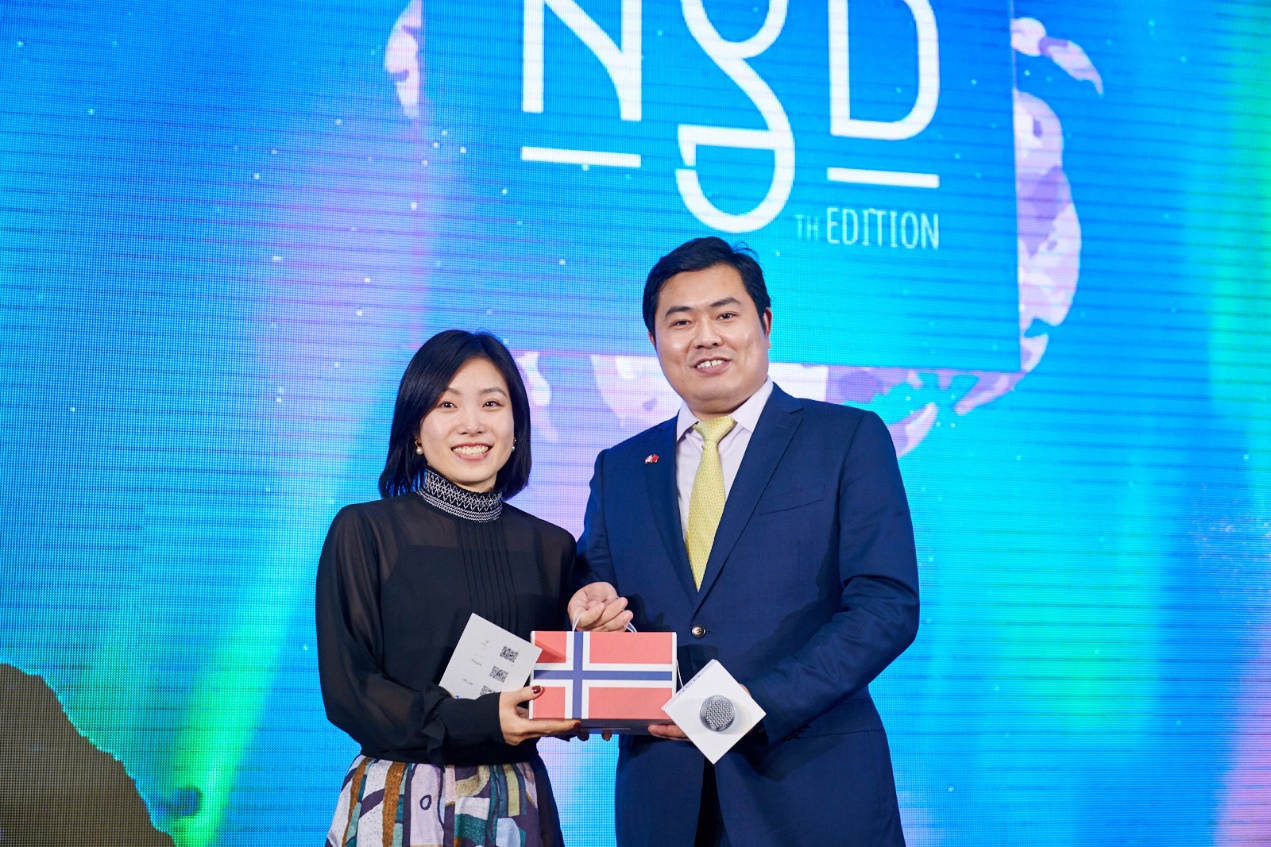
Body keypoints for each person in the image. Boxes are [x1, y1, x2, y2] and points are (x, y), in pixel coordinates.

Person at [568, 237, 920, 846]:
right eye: (681, 322)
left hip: (811, 789)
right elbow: (593, 593)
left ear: (765, 324)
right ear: (654, 341)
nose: (705, 337)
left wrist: (749, 707)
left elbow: (886, 607)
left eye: (725, 315)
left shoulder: (846, 438)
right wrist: (586, 616)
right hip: (665, 801)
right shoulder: (619, 468)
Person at [316, 329, 624, 847]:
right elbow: (351, 692)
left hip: (514, 800)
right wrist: (479, 718)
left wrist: (593, 649)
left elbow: (555, 683)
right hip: (400, 796)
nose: (472, 423)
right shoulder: (365, 531)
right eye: (446, 404)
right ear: (416, 430)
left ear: (516, 428)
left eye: (491, 404)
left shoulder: (552, 546)